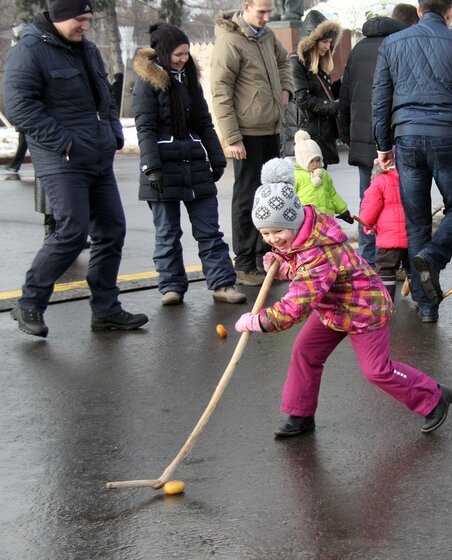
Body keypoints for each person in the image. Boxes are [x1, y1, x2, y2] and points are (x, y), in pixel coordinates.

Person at [235, 173, 452, 436]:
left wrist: (258, 320)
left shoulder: (318, 252)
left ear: (293, 221)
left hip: (364, 308)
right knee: (305, 352)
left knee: (377, 371)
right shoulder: (302, 232)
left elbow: (295, 305)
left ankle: (433, 397)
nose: (272, 239)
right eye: (265, 233)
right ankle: (300, 415)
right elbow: (302, 268)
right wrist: (284, 266)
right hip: (334, 307)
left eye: (277, 231)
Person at [4, 0, 148, 337]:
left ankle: (106, 310)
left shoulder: (89, 50)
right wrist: (64, 142)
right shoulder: (29, 50)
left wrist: (113, 131)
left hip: (97, 154)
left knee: (112, 229)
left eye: (88, 19)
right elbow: (19, 107)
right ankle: (29, 303)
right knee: (71, 231)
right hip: (61, 158)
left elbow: (105, 100)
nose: (85, 26)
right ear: (59, 17)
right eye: (79, 20)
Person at [373, 0, 452, 324]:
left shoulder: (392, 45)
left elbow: (381, 102)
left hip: (408, 140)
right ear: (450, 11)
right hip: (447, 137)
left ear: (418, 10)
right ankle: (433, 257)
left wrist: (384, 146)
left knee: (416, 222)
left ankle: (427, 306)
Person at [133, 23, 246, 307]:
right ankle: (171, 286)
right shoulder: (146, 83)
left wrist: (217, 158)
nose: (184, 58)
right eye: (178, 54)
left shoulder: (189, 79)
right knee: (167, 232)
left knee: (209, 230)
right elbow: (144, 127)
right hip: (162, 166)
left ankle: (222, 283)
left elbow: (204, 122)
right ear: (163, 53)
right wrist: (151, 168)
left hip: (194, 163)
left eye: (186, 53)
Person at [211, 0, 294, 287]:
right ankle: (245, 261)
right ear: (246, 6)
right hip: (246, 132)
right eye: (262, 12)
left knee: (271, 195)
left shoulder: (268, 36)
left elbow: (285, 62)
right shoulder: (231, 41)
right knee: (247, 196)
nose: (267, 17)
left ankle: (267, 256)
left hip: (270, 128)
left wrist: (286, 90)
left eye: (270, 11)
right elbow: (220, 91)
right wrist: (231, 136)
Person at [338, 4, 418, 268]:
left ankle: (369, 260)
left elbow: (345, 95)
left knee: (368, 200)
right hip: (394, 137)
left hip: (362, 138)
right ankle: (400, 258)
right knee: (402, 197)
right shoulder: (400, 46)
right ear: (410, 24)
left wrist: (346, 133)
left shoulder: (358, 48)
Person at [281, 10, 342, 165]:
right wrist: (333, 106)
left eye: (330, 42)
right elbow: (302, 97)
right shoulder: (295, 62)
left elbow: (322, 93)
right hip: (304, 137)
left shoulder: (319, 63)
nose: (327, 47)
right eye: (324, 42)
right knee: (308, 186)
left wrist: (342, 83)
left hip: (318, 134)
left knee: (321, 184)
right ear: (312, 41)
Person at [358, 159, 410, 301]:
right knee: (413, 270)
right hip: (411, 236)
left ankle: (386, 303)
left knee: (386, 270)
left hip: (389, 239)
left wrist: (366, 225)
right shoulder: (410, 177)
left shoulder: (379, 181)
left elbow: (370, 207)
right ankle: (424, 305)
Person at [290, 130, 352, 221]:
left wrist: (343, 210)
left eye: (318, 160)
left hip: (326, 217)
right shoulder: (296, 176)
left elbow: (332, 193)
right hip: (307, 220)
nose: (315, 164)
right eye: (311, 161)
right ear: (302, 161)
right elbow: (290, 199)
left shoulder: (324, 174)